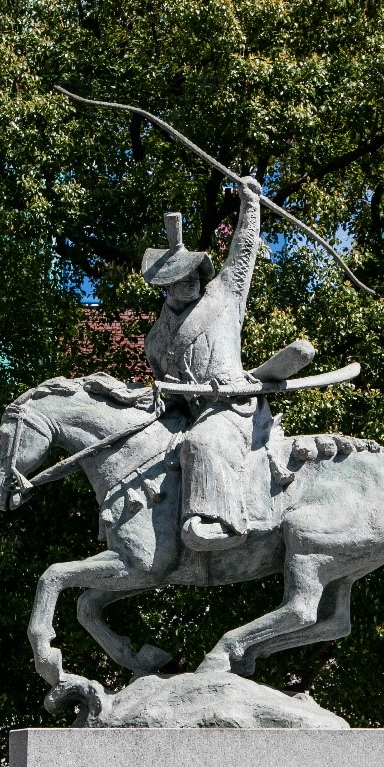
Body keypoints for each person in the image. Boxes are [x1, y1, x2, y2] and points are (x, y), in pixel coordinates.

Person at [142, 176, 305, 550]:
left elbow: (244, 251)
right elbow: (172, 398)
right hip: (191, 413)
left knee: (201, 442)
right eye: (182, 279)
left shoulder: (225, 296)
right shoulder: (156, 340)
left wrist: (251, 204)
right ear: (168, 285)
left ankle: (219, 523)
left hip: (234, 408)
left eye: (196, 275)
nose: (192, 283)